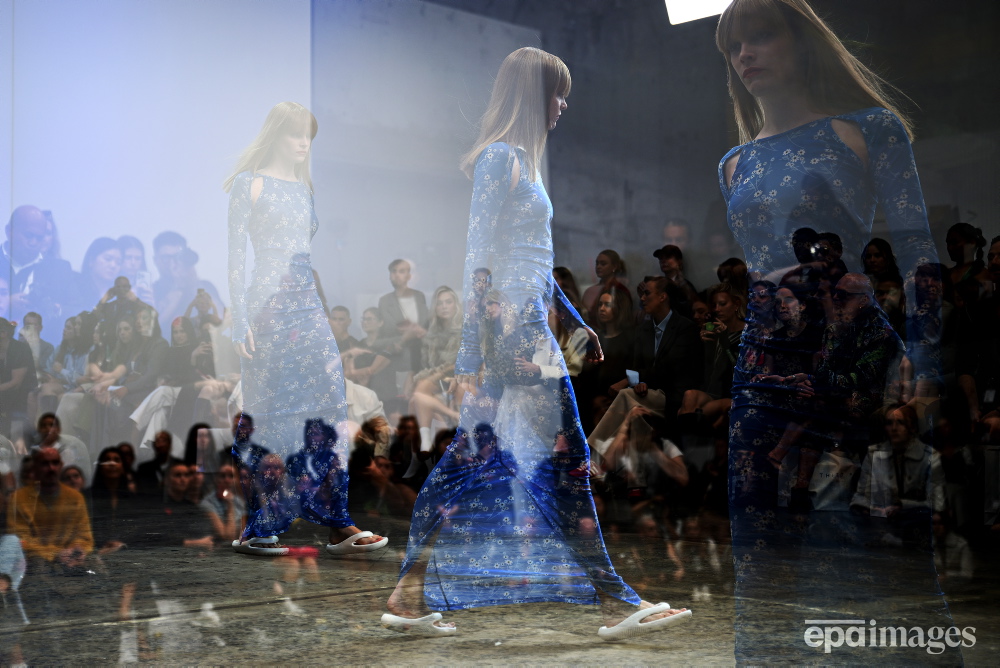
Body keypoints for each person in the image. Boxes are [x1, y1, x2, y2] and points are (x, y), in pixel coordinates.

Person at [382, 47, 690, 639]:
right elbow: (480, 260)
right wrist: (469, 357)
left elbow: (537, 265)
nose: (563, 105)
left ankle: (408, 591)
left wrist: (576, 322)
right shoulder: (500, 159)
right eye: (557, 92)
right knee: (565, 455)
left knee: (482, 456)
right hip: (512, 334)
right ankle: (612, 599)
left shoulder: (522, 161)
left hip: (526, 328)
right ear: (533, 94)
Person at [716, 0, 951, 661]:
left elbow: (918, 251)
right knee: (762, 565)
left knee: (893, 557)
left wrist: (926, 366)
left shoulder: (869, 128)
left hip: (860, 363)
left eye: (761, 36)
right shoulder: (733, 162)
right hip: (762, 371)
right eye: (735, 45)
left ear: (800, 41)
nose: (746, 54)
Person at [226, 101, 385, 556]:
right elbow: (237, 261)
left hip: (307, 304)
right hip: (266, 307)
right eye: (296, 134)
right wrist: (240, 321)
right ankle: (258, 524)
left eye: (308, 136)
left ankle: (336, 521)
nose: (303, 143)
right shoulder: (249, 185)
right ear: (276, 134)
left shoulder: (304, 186)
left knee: (329, 401)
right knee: (268, 412)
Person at [581, 250, 627, 320]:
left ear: (614, 267)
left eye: (603, 264)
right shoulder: (590, 291)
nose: (598, 267)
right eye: (597, 263)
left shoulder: (620, 290)